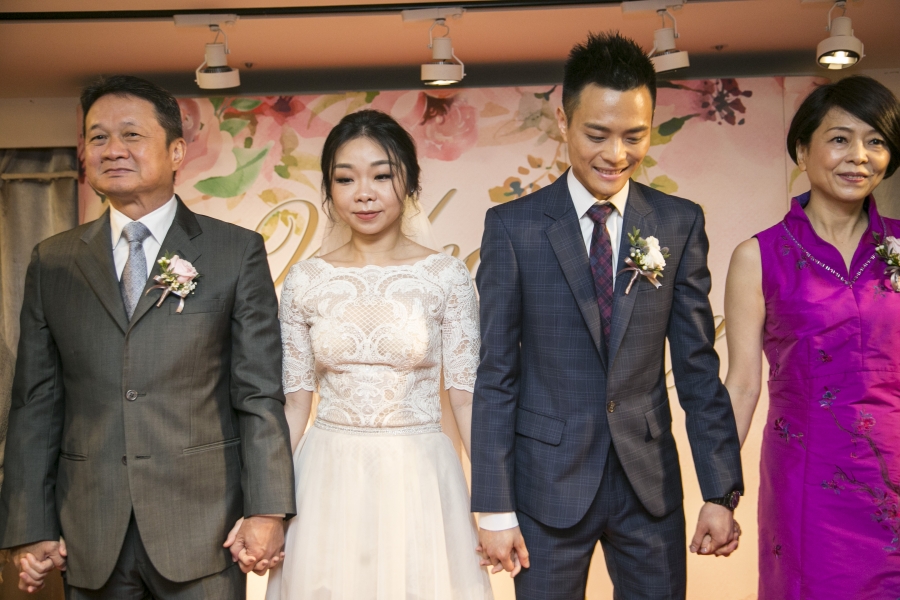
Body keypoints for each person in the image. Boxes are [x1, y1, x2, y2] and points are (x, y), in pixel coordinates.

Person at [471, 32, 744, 599]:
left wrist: (720, 493)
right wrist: (495, 507)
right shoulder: (513, 228)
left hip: (648, 486)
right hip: (546, 487)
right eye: (597, 134)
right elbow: (496, 374)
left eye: (634, 136)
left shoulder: (678, 223)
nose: (616, 154)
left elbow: (697, 367)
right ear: (563, 121)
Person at [0, 75, 296, 598]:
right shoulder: (54, 261)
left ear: (176, 151)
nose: (113, 149)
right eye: (98, 137)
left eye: (131, 135)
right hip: (89, 528)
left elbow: (257, 393)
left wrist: (267, 510)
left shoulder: (234, 252)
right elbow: (35, 403)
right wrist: (29, 524)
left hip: (204, 528)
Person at [266, 109, 492, 599]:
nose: (363, 193)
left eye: (381, 176)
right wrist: (266, 504)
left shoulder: (446, 276)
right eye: (345, 179)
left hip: (419, 474)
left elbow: (466, 399)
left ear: (409, 181)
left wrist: (496, 506)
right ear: (329, 190)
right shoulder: (305, 279)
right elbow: (295, 403)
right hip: (326, 475)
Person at [725, 75, 900, 598]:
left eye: (876, 141)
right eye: (840, 139)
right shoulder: (757, 257)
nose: (859, 157)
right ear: (802, 149)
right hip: (808, 480)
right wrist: (718, 492)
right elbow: (742, 386)